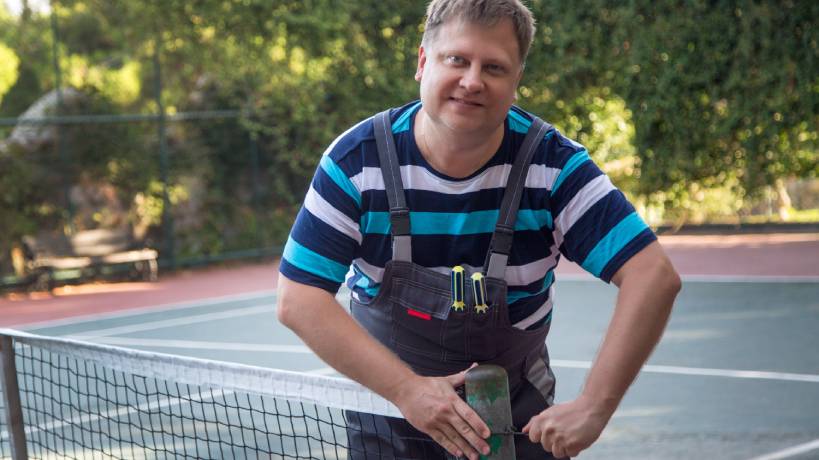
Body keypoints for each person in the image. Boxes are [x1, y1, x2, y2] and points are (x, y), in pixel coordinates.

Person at [277, 0, 681, 458]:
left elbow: (653, 276)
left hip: (516, 415)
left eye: (494, 67)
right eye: (457, 59)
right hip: (388, 412)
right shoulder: (356, 162)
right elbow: (299, 298)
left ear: (516, 82)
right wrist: (408, 390)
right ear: (423, 61)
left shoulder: (554, 167)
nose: (472, 81)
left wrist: (595, 406)